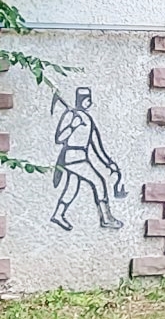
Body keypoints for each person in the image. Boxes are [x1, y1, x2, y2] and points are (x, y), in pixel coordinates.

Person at [50, 87, 125, 231]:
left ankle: (58, 214)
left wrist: (109, 164)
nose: (89, 102)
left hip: (81, 157)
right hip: (72, 158)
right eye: (87, 99)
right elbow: (59, 139)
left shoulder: (88, 119)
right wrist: (73, 125)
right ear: (82, 100)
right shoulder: (72, 116)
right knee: (99, 182)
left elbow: (96, 146)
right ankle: (106, 218)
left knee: (72, 188)